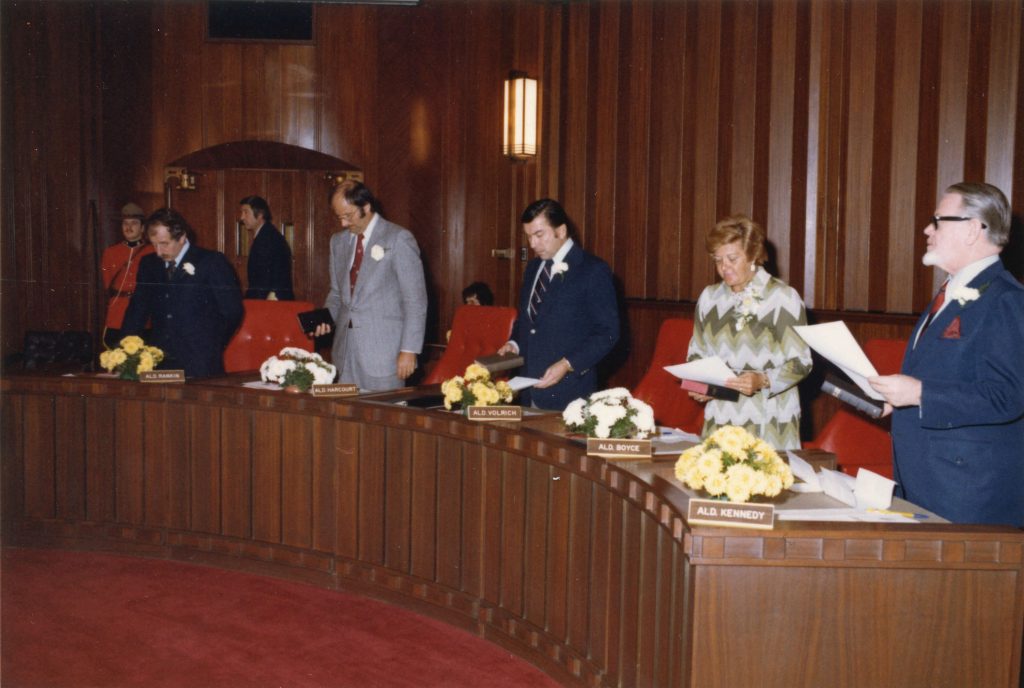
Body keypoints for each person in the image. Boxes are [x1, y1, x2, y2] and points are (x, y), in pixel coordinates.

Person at [869, 182, 1024, 526]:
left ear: (972, 229)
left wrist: (921, 393)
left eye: (938, 220)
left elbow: (1008, 396)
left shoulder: (1007, 300)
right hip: (929, 480)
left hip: (967, 493)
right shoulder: (953, 291)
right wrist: (900, 398)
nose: (928, 229)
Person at [686, 215, 811, 449]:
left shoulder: (782, 298)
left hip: (769, 417)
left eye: (732, 258)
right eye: (718, 260)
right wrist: (702, 386)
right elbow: (696, 353)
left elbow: (801, 362)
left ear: (753, 255)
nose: (724, 267)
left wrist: (763, 379)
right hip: (721, 416)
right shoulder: (709, 298)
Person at [497, 198, 619, 410]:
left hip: (569, 393)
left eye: (539, 235)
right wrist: (514, 344)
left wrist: (568, 364)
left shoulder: (592, 270)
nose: (532, 244)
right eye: (528, 236)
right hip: (527, 390)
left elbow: (608, 332)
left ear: (561, 231)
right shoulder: (533, 268)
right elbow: (526, 321)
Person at [315, 181, 427, 391]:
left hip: (385, 356)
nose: (343, 224)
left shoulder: (398, 238)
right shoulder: (337, 242)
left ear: (365, 207)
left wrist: (409, 349)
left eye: (347, 215)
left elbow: (415, 300)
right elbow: (337, 294)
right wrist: (325, 318)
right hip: (344, 354)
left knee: (385, 419)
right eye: (339, 217)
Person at [121, 208, 244, 378]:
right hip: (158, 359)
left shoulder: (211, 261)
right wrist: (126, 352)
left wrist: (212, 344)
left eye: (164, 244)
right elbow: (137, 310)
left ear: (182, 238)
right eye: (154, 244)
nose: (158, 252)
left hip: (200, 361)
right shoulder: (148, 264)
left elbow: (232, 311)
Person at [100, 203, 155, 348]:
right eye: (125, 223)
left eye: (134, 223)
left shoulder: (152, 252)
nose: (128, 227)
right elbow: (108, 284)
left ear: (143, 228)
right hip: (117, 312)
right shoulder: (110, 252)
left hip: (144, 314)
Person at [239, 195, 294, 300]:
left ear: (260, 215)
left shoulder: (268, 239)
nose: (242, 217)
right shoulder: (266, 235)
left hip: (272, 304)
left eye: (246, 212)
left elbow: (264, 283)